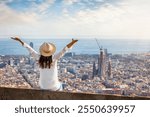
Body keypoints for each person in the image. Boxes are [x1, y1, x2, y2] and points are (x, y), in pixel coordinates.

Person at [11, 37, 78, 91]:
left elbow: (29, 49)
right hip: (54, 87)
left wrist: (19, 40)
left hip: (43, 87)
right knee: (62, 85)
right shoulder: (54, 58)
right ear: (51, 51)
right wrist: (72, 43)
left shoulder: (39, 57)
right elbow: (65, 49)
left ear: (42, 51)